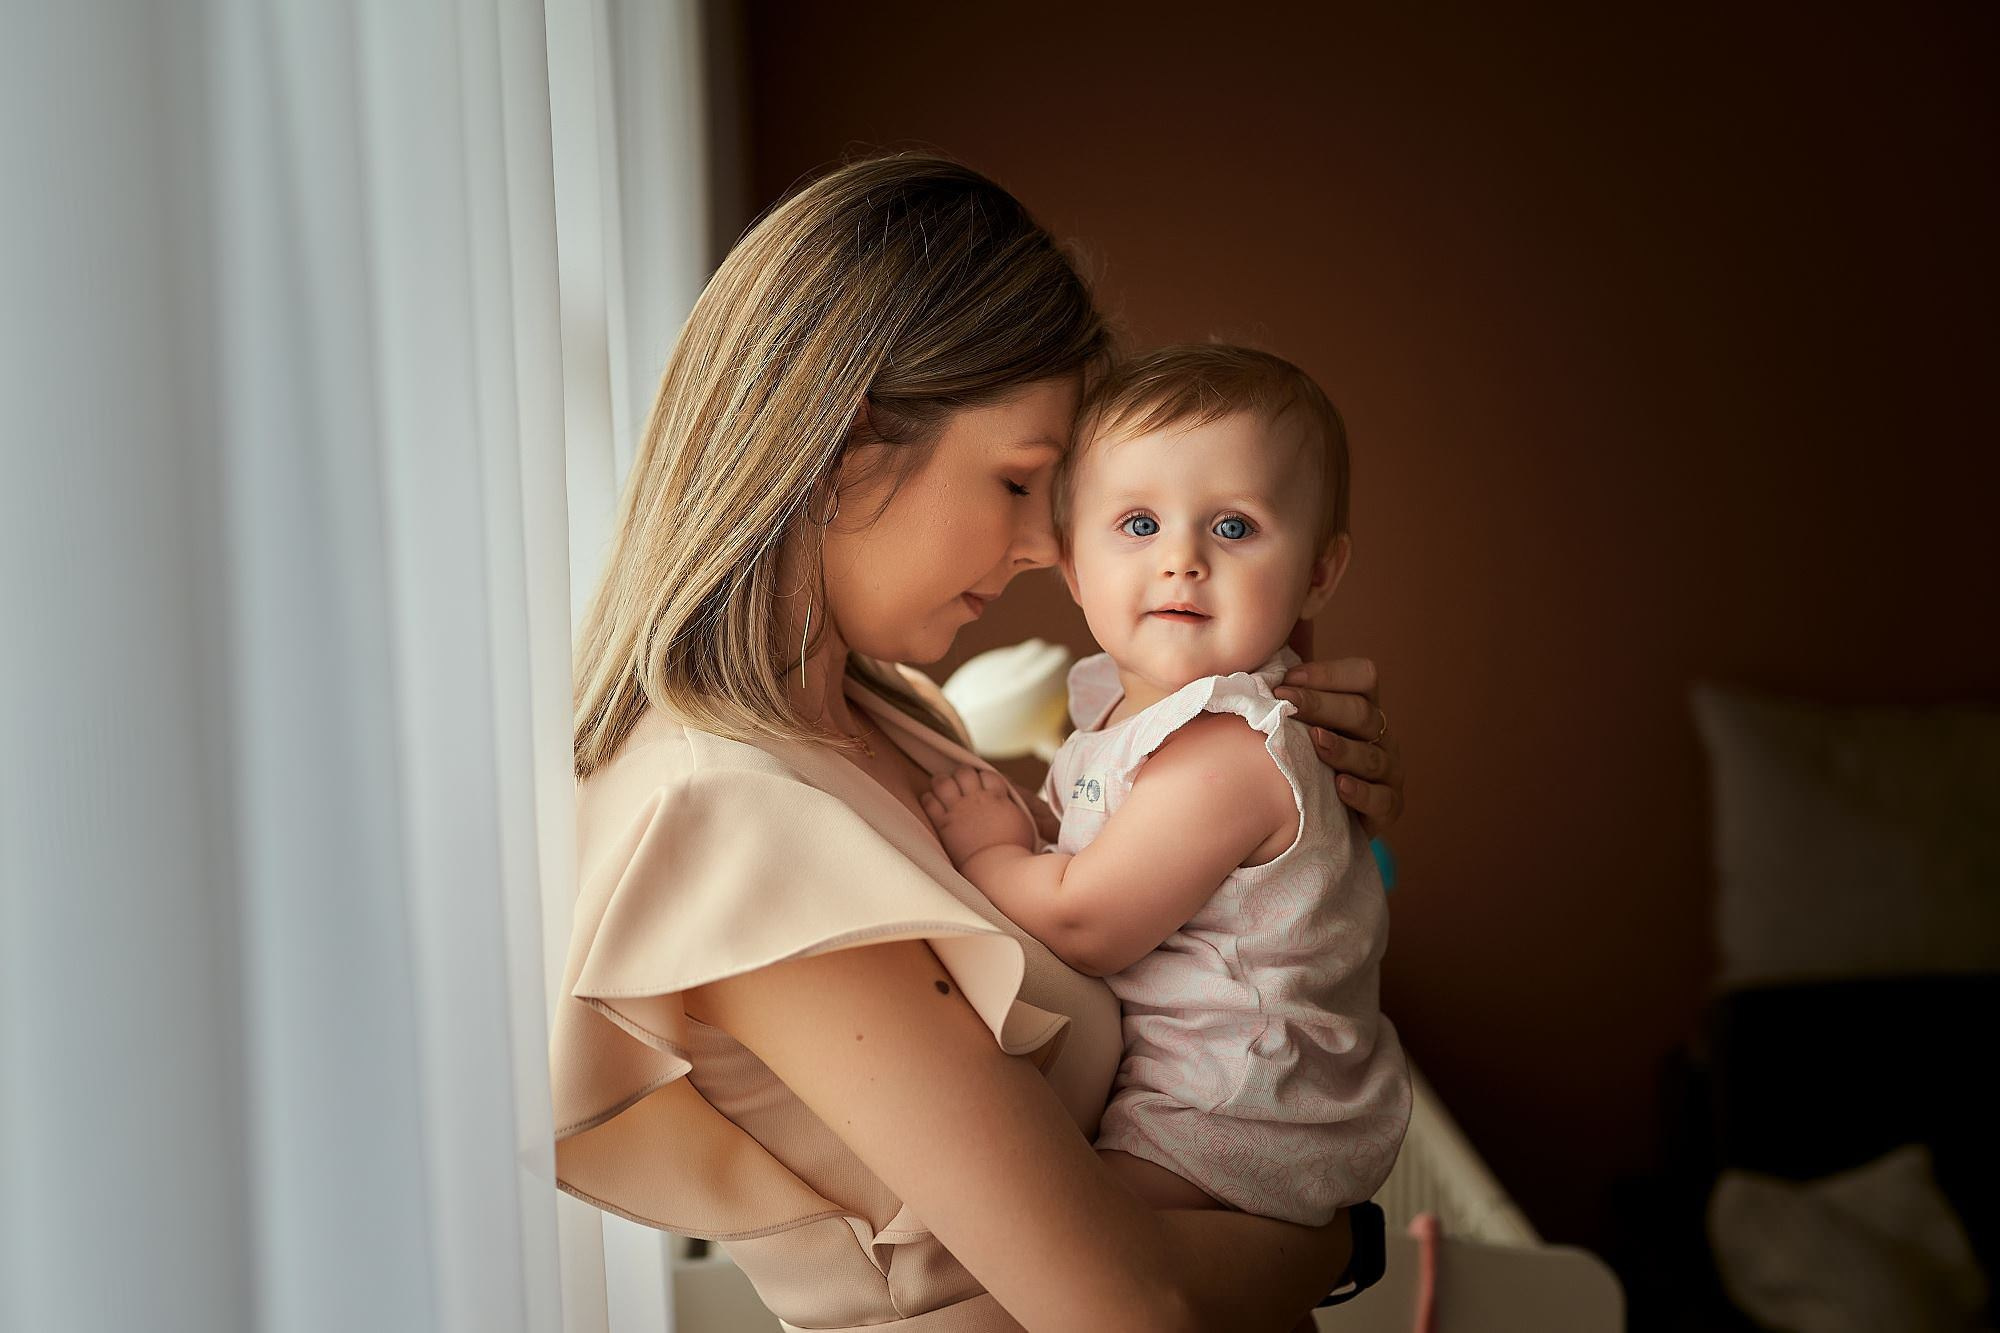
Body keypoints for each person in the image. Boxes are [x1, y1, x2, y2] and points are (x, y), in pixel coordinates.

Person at [550, 155, 1408, 1332]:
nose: (1048, 549)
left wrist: (1292, 767)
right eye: (1017, 484)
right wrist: (1332, 1238)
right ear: (847, 439)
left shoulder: (898, 723)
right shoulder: (728, 822)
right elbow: (1128, 1307)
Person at [923, 344, 1412, 1239]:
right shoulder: (1122, 707)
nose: (1182, 558)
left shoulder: (1229, 745)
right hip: (1186, 1088)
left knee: (1069, 1244)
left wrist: (991, 850)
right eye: (1140, 523)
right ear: (1074, 566)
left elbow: (1087, 921)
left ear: (1318, 573)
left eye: (1234, 527)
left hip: (1236, 1105)